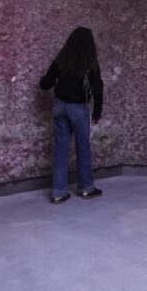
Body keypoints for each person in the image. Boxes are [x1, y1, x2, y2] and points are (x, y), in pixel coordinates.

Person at [39, 26, 104, 204]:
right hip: (79, 108)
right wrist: (97, 111)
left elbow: (46, 84)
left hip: (60, 106)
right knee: (83, 148)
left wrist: (43, 79)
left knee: (61, 149)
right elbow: (98, 88)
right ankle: (86, 188)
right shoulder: (90, 63)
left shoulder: (62, 59)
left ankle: (58, 192)